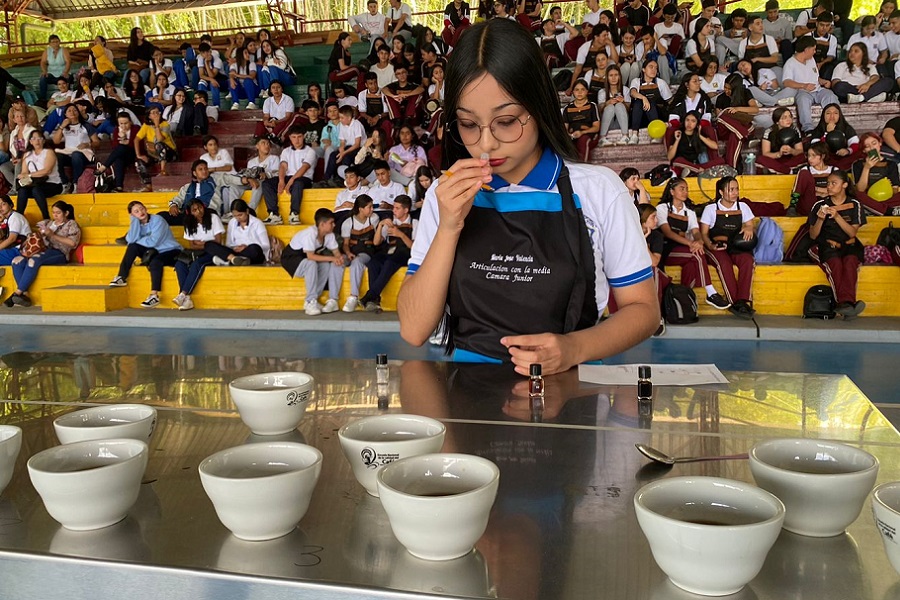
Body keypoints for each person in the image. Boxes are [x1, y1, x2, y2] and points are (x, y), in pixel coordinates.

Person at [398, 19, 659, 372]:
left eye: (506, 121)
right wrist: (448, 227)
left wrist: (573, 347)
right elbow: (414, 330)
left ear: (538, 107)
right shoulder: (447, 196)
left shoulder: (598, 190)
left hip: (571, 389)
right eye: (469, 124)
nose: (486, 143)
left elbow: (643, 311)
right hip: (466, 399)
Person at [656, 177, 731, 311]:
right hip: (665, 249)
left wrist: (699, 241)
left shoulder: (689, 212)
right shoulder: (662, 208)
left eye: (687, 189)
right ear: (672, 191)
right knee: (696, 254)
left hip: (682, 249)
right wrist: (692, 243)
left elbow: (696, 232)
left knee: (693, 261)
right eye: (682, 189)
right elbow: (668, 233)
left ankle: (686, 296)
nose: (685, 192)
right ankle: (710, 292)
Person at [808, 170, 867, 319]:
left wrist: (837, 216)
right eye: (828, 183)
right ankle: (846, 304)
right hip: (825, 245)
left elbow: (852, 233)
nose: (829, 186)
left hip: (849, 244)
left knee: (850, 262)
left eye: (834, 183)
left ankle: (845, 305)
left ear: (844, 185)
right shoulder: (819, 205)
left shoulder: (855, 204)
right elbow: (813, 235)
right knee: (835, 263)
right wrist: (821, 219)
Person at [2, 200, 80, 308]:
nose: (55, 215)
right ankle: (24, 294)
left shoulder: (71, 224)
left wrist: (52, 235)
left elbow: (72, 243)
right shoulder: (48, 223)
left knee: (34, 260)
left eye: (58, 213)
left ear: (66, 213)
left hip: (59, 253)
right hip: (42, 250)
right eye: (53, 212)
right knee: (16, 260)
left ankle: (17, 293)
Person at [699, 176, 757, 319]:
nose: (735, 192)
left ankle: (743, 301)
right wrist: (710, 245)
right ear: (721, 192)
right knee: (724, 264)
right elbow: (704, 233)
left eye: (736, 189)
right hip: (716, 246)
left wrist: (749, 228)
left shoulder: (743, 207)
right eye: (731, 189)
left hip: (736, 246)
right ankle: (735, 303)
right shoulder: (711, 209)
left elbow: (750, 224)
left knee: (748, 261)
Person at [109, 200, 182, 308]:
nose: (141, 212)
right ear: (132, 215)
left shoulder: (158, 220)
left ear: (146, 208)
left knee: (155, 262)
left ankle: (154, 295)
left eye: (142, 209)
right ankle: (121, 277)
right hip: (153, 250)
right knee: (132, 247)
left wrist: (138, 240)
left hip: (170, 250)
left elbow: (153, 241)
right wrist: (134, 222)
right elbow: (131, 239)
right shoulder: (137, 223)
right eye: (136, 211)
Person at [281, 208, 345, 315]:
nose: (334, 225)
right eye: (331, 223)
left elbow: (335, 251)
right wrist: (333, 258)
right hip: (291, 259)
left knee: (325, 265)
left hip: (305, 259)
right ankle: (311, 300)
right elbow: (310, 256)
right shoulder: (310, 234)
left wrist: (339, 259)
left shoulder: (329, 235)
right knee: (311, 263)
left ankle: (311, 301)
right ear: (322, 224)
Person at [359, 194, 416, 312]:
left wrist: (400, 234)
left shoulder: (415, 223)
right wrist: (380, 225)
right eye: (393, 207)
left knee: (390, 262)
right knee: (373, 262)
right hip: (389, 250)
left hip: (405, 252)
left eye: (397, 208)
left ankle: (370, 296)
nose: (393, 210)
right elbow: (376, 243)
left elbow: (414, 247)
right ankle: (373, 300)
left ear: (406, 210)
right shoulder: (390, 221)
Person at [172, 199, 226, 311]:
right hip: (196, 252)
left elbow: (217, 242)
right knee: (179, 264)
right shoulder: (188, 223)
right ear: (190, 212)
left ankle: (182, 294)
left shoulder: (213, 218)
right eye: (194, 210)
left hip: (214, 252)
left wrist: (202, 244)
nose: (199, 211)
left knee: (197, 264)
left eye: (200, 208)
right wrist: (207, 243)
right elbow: (192, 245)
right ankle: (187, 299)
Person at [782, 35, 839, 134]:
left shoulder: (811, 60)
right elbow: (786, 82)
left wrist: (823, 81)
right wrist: (803, 86)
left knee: (830, 95)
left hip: (818, 90)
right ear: (806, 50)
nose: (814, 52)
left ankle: (833, 125)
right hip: (803, 91)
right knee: (803, 100)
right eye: (813, 49)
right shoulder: (790, 63)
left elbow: (815, 77)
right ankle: (808, 130)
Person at [262, 125, 317, 225]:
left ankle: (294, 213)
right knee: (267, 184)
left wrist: (290, 182)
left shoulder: (310, 151)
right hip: (289, 177)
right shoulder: (286, 151)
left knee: (297, 183)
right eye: (294, 137)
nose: (297, 140)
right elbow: (283, 166)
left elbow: (304, 168)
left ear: (304, 136)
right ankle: (274, 214)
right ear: (290, 138)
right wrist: (281, 181)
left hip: (304, 178)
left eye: (299, 137)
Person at [340, 194, 381, 312]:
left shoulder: (374, 218)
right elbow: (346, 244)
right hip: (352, 251)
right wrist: (348, 253)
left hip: (366, 251)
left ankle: (353, 296)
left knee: (357, 261)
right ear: (360, 209)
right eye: (369, 207)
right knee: (338, 262)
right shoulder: (348, 222)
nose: (372, 209)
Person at [204, 198, 270, 267]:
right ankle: (234, 259)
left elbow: (266, 246)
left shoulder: (257, 223)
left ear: (247, 211)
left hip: (251, 253)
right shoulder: (232, 222)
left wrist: (245, 247)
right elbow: (228, 244)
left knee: (255, 248)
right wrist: (234, 248)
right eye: (235, 216)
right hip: (235, 253)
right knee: (208, 245)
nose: (238, 218)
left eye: (240, 215)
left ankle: (230, 261)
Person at [51, 103, 100, 194]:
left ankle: (76, 183)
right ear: (65, 114)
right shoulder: (64, 127)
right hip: (69, 154)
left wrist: (88, 144)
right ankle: (64, 183)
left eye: (74, 110)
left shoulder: (86, 126)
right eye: (69, 111)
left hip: (84, 155)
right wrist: (62, 126)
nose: (72, 112)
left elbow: (97, 142)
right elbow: (56, 141)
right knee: (56, 156)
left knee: (76, 155)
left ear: (78, 112)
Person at [715, 73, 759, 170]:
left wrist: (737, 109)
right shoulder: (721, 98)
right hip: (727, 129)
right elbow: (719, 117)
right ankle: (744, 134)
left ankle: (732, 169)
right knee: (722, 116)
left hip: (741, 126)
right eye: (725, 87)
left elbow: (755, 109)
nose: (726, 90)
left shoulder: (745, 93)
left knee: (735, 136)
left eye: (729, 89)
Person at [17, 130, 62, 221]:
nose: (37, 141)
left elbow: (47, 171)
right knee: (22, 189)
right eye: (34, 138)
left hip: (52, 183)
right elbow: (24, 172)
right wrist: (23, 176)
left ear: (43, 141)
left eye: (39, 138)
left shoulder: (49, 152)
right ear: (30, 141)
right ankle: (18, 217)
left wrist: (29, 175)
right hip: (35, 183)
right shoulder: (27, 154)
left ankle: (46, 217)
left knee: (36, 190)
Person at [162, 160, 222, 226]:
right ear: (194, 173)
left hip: (205, 215)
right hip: (187, 215)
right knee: (162, 216)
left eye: (206, 169)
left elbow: (215, 204)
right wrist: (173, 205)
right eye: (200, 169)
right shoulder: (187, 187)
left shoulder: (215, 184)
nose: (204, 171)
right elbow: (178, 199)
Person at [626, 58, 672, 145]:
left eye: (656, 68)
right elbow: (632, 92)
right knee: (638, 102)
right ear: (643, 69)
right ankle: (634, 135)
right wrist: (644, 98)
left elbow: (670, 101)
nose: (654, 70)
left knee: (650, 101)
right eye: (651, 67)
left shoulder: (661, 83)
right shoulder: (636, 81)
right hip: (640, 117)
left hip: (657, 116)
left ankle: (656, 135)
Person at [853, 131, 900, 215]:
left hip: (887, 198)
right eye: (867, 146)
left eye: (874, 143)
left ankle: (878, 209)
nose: (872, 148)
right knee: (856, 194)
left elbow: (895, 188)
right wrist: (867, 167)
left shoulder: (891, 164)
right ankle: (887, 210)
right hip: (868, 198)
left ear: (880, 143)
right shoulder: (858, 164)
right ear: (864, 150)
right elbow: (860, 189)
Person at [666, 110, 723, 177]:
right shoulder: (678, 133)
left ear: (697, 124)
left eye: (693, 121)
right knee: (678, 160)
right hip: (682, 165)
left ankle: (694, 170)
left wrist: (700, 136)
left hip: (697, 165)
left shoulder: (700, 134)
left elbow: (715, 146)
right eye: (687, 120)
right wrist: (677, 140)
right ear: (684, 121)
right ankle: (698, 171)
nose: (689, 123)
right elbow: (669, 157)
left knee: (721, 160)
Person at [134, 104, 177, 192]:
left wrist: (157, 126)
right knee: (138, 162)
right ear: (149, 116)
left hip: (169, 153)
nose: (156, 115)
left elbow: (160, 139)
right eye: (153, 113)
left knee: (159, 145)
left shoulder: (165, 124)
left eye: (158, 112)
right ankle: (148, 184)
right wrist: (139, 155)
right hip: (154, 154)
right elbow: (136, 139)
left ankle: (163, 170)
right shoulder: (146, 125)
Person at [95, 112, 139, 193]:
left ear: (130, 122)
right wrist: (122, 137)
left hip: (134, 153)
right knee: (119, 159)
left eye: (126, 123)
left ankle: (104, 166)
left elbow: (138, 144)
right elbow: (115, 146)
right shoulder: (116, 130)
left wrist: (127, 142)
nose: (123, 126)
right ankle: (119, 187)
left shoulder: (136, 129)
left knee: (122, 148)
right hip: (122, 155)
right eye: (121, 123)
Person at [809, 103, 860, 170]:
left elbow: (856, 144)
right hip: (826, 159)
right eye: (828, 113)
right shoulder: (818, 130)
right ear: (823, 116)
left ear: (839, 115)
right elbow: (815, 149)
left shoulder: (847, 128)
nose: (832, 116)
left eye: (835, 113)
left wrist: (848, 150)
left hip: (844, 158)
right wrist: (828, 133)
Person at [756, 106, 806, 174]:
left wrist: (791, 151)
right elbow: (765, 153)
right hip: (775, 159)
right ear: (777, 121)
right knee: (761, 159)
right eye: (784, 118)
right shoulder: (769, 131)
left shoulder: (795, 130)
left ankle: (781, 170)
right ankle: (787, 171)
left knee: (803, 156)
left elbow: (800, 150)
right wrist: (779, 154)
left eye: (790, 116)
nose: (788, 120)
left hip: (790, 160)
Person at [325, 105, 368, 183]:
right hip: (348, 147)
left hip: (359, 148)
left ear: (349, 118)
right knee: (333, 155)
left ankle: (342, 180)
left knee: (346, 157)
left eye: (342, 118)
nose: (340, 120)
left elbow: (357, 144)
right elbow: (342, 141)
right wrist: (341, 150)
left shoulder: (356, 124)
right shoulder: (342, 124)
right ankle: (327, 179)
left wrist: (343, 153)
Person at [792, 142, 836, 217]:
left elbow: (836, 190)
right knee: (804, 173)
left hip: (829, 203)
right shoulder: (806, 170)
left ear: (822, 156)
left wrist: (816, 189)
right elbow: (806, 192)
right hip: (810, 203)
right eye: (808, 155)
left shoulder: (833, 170)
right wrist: (823, 191)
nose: (809, 159)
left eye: (813, 156)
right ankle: (792, 206)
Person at [563, 80, 601, 162]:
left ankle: (584, 167)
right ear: (573, 92)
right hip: (572, 135)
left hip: (588, 135)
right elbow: (564, 128)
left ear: (587, 91)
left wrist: (582, 133)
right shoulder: (568, 108)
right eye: (577, 90)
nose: (579, 92)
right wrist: (569, 135)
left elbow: (596, 127)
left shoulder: (592, 106)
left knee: (583, 141)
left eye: (582, 89)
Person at [0, 109, 36, 195]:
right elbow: (12, 149)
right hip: (17, 158)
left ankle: (15, 190)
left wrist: (22, 159)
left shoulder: (32, 130)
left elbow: (34, 148)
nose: (20, 118)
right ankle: (18, 186)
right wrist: (13, 158)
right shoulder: (13, 132)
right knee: (3, 167)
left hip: (30, 158)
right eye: (17, 117)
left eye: (22, 116)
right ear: (14, 120)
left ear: (26, 118)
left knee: (19, 164)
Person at [244, 137, 281, 211]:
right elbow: (248, 174)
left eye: (268, 143)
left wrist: (266, 174)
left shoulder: (274, 158)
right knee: (234, 187)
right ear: (257, 146)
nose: (266, 145)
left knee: (259, 183)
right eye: (263, 143)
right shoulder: (251, 162)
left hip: (266, 184)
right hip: (251, 183)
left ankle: (250, 210)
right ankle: (231, 212)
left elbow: (277, 173)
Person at [0, 194, 31, 265]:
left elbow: (12, 239)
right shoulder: (7, 219)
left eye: (3, 204)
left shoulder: (15, 217)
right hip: (12, 250)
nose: (0, 207)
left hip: (19, 251)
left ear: (10, 205)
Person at [39, 35, 71, 102]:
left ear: (59, 42)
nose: (55, 44)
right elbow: (43, 62)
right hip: (51, 74)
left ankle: (69, 97)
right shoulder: (47, 51)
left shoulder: (64, 50)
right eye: (53, 42)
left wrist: (65, 72)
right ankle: (42, 99)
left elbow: (68, 62)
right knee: (43, 78)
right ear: (50, 44)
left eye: (57, 42)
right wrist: (44, 71)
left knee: (68, 78)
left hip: (62, 73)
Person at [229, 44, 260, 110]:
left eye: (248, 53)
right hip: (242, 91)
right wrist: (231, 79)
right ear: (240, 55)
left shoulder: (251, 64)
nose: (248, 54)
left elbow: (252, 76)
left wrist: (237, 75)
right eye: (245, 53)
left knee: (247, 80)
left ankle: (252, 103)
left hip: (253, 90)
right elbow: (232, 73)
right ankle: (235, 103)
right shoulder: (234, 65)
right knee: (232, 81)